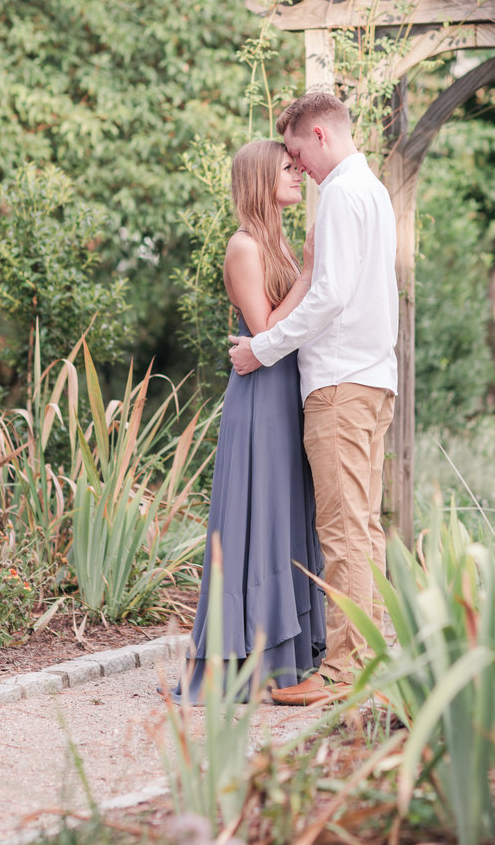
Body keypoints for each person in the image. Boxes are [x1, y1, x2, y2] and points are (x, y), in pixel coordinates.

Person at [229, 92, 398, 706]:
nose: (295, 163)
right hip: (373, 377)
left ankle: (347, 668)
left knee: (343, 531)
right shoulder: (372, 191)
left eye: (296, 150)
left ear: (319, 136)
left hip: (339, 386)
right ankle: (376, 658)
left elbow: (328, 297)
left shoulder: (344, 198)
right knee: (364, 527)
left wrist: (263, 348)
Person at [173, 139, 325, 704]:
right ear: (260, 179)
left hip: (287, 390)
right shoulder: (244, 245)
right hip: (259, 394)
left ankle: (287, 656)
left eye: (297, 166)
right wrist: (308, 276)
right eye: (287, 169)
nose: (297, 175)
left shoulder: (277, 241)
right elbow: (262, 331)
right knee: (254, 519)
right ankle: (245, 662)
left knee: (285, 518)